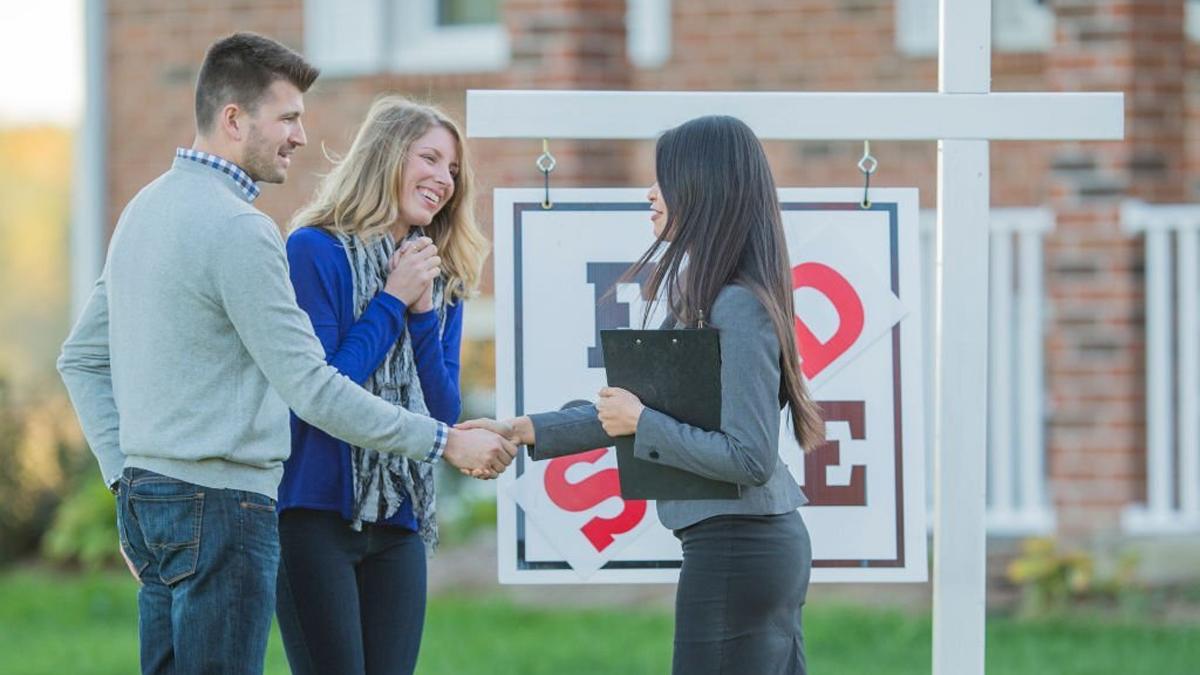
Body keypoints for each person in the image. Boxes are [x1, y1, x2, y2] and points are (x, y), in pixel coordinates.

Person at [57, 33, 514, 675]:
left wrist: (125, 479)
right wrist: (443, 442)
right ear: (234, 118)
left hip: (160, 499)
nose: (301, 136)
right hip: (232, 505)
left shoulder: (144, 209)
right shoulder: (252, 233)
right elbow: (315, 388)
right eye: (289, 118)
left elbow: (79, 359)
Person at [461, 115, 826, 675]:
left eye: (665, 179)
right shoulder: (711, 297)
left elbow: (750, 458)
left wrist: (642, 422)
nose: (650, 192)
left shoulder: (737, 305)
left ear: (705, 189)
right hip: (740, 546)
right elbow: (631, 411)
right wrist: (518, 429)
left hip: (740, 547)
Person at [273, 96, 487, 675]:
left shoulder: (439, 273)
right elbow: (324, 389)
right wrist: (391, 300)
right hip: (314, 513)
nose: (444, 179)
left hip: (398, 517)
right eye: (431, 158)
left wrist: (420, 313)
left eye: (453, 170)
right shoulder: (313, 251)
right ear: (388, 156)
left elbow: (442, 410)